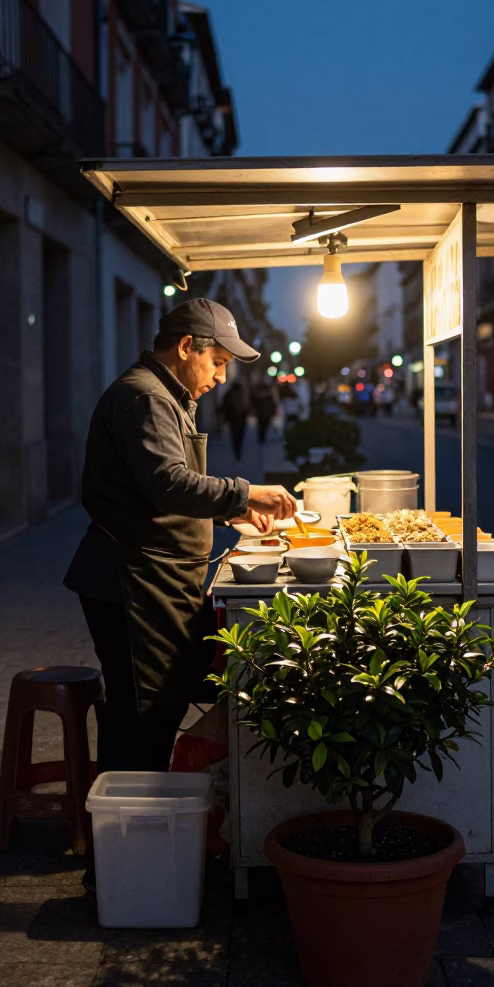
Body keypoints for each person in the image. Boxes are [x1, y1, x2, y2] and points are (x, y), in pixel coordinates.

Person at [64, 297, 296, 791]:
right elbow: (167, 482)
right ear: (188, 346)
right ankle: (121, 848)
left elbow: (161, 485)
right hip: (131, 581)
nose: (221, 378)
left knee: (162, 702)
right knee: (142, 710)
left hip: (160, 577)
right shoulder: (145, 397)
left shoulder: (168, 396)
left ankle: (148, 821)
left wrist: (232, 511)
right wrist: (244, 491)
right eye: (218, 363)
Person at [220, 379, 249, 461]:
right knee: (240, 436)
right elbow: (247, 407)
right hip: (242, 419)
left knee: (234, 437)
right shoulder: (243, 394)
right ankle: (238, 452)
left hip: (232, 420)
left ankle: (236, 451)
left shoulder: (229, 394)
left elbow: (223, 406)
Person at [251, 380, 277, 445]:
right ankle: (261, 437)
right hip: (263, 413)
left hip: (264, 413)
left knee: (263, 425)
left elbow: (272, 404)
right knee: (262, 425)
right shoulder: (266, 395)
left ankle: (261, 437)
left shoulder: (266, 395)